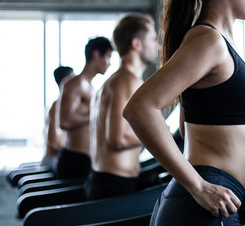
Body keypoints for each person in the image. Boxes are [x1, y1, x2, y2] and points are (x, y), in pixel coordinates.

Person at [123, 0, 245, 226]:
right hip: (203, 209)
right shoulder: (208, 41)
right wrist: (198, 187)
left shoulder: (213, 40)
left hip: (195, 208)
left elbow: (191, 126)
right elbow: (139, 109)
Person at [85, 14, 159, 200]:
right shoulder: (126, 81)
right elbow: (118, 138)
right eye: (153, 39)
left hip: (109, 180)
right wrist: (159, 134)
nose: (156, 45)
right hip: (113, 184)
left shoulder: (115, 81)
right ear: (136, 44)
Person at [55, 36, 113, 179]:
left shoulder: (90, 87)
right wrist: (96, 115)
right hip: (74, 160)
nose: (110, 63)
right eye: (108, 57)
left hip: (86, 159)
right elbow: (65, 121)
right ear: (96, 55)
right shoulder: (75, 84)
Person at [41, 66, 74, 169]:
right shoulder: (58, 105)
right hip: (52, 162)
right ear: (66, 82)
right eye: (73, 79)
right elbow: (54, 143)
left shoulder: (59, 105)